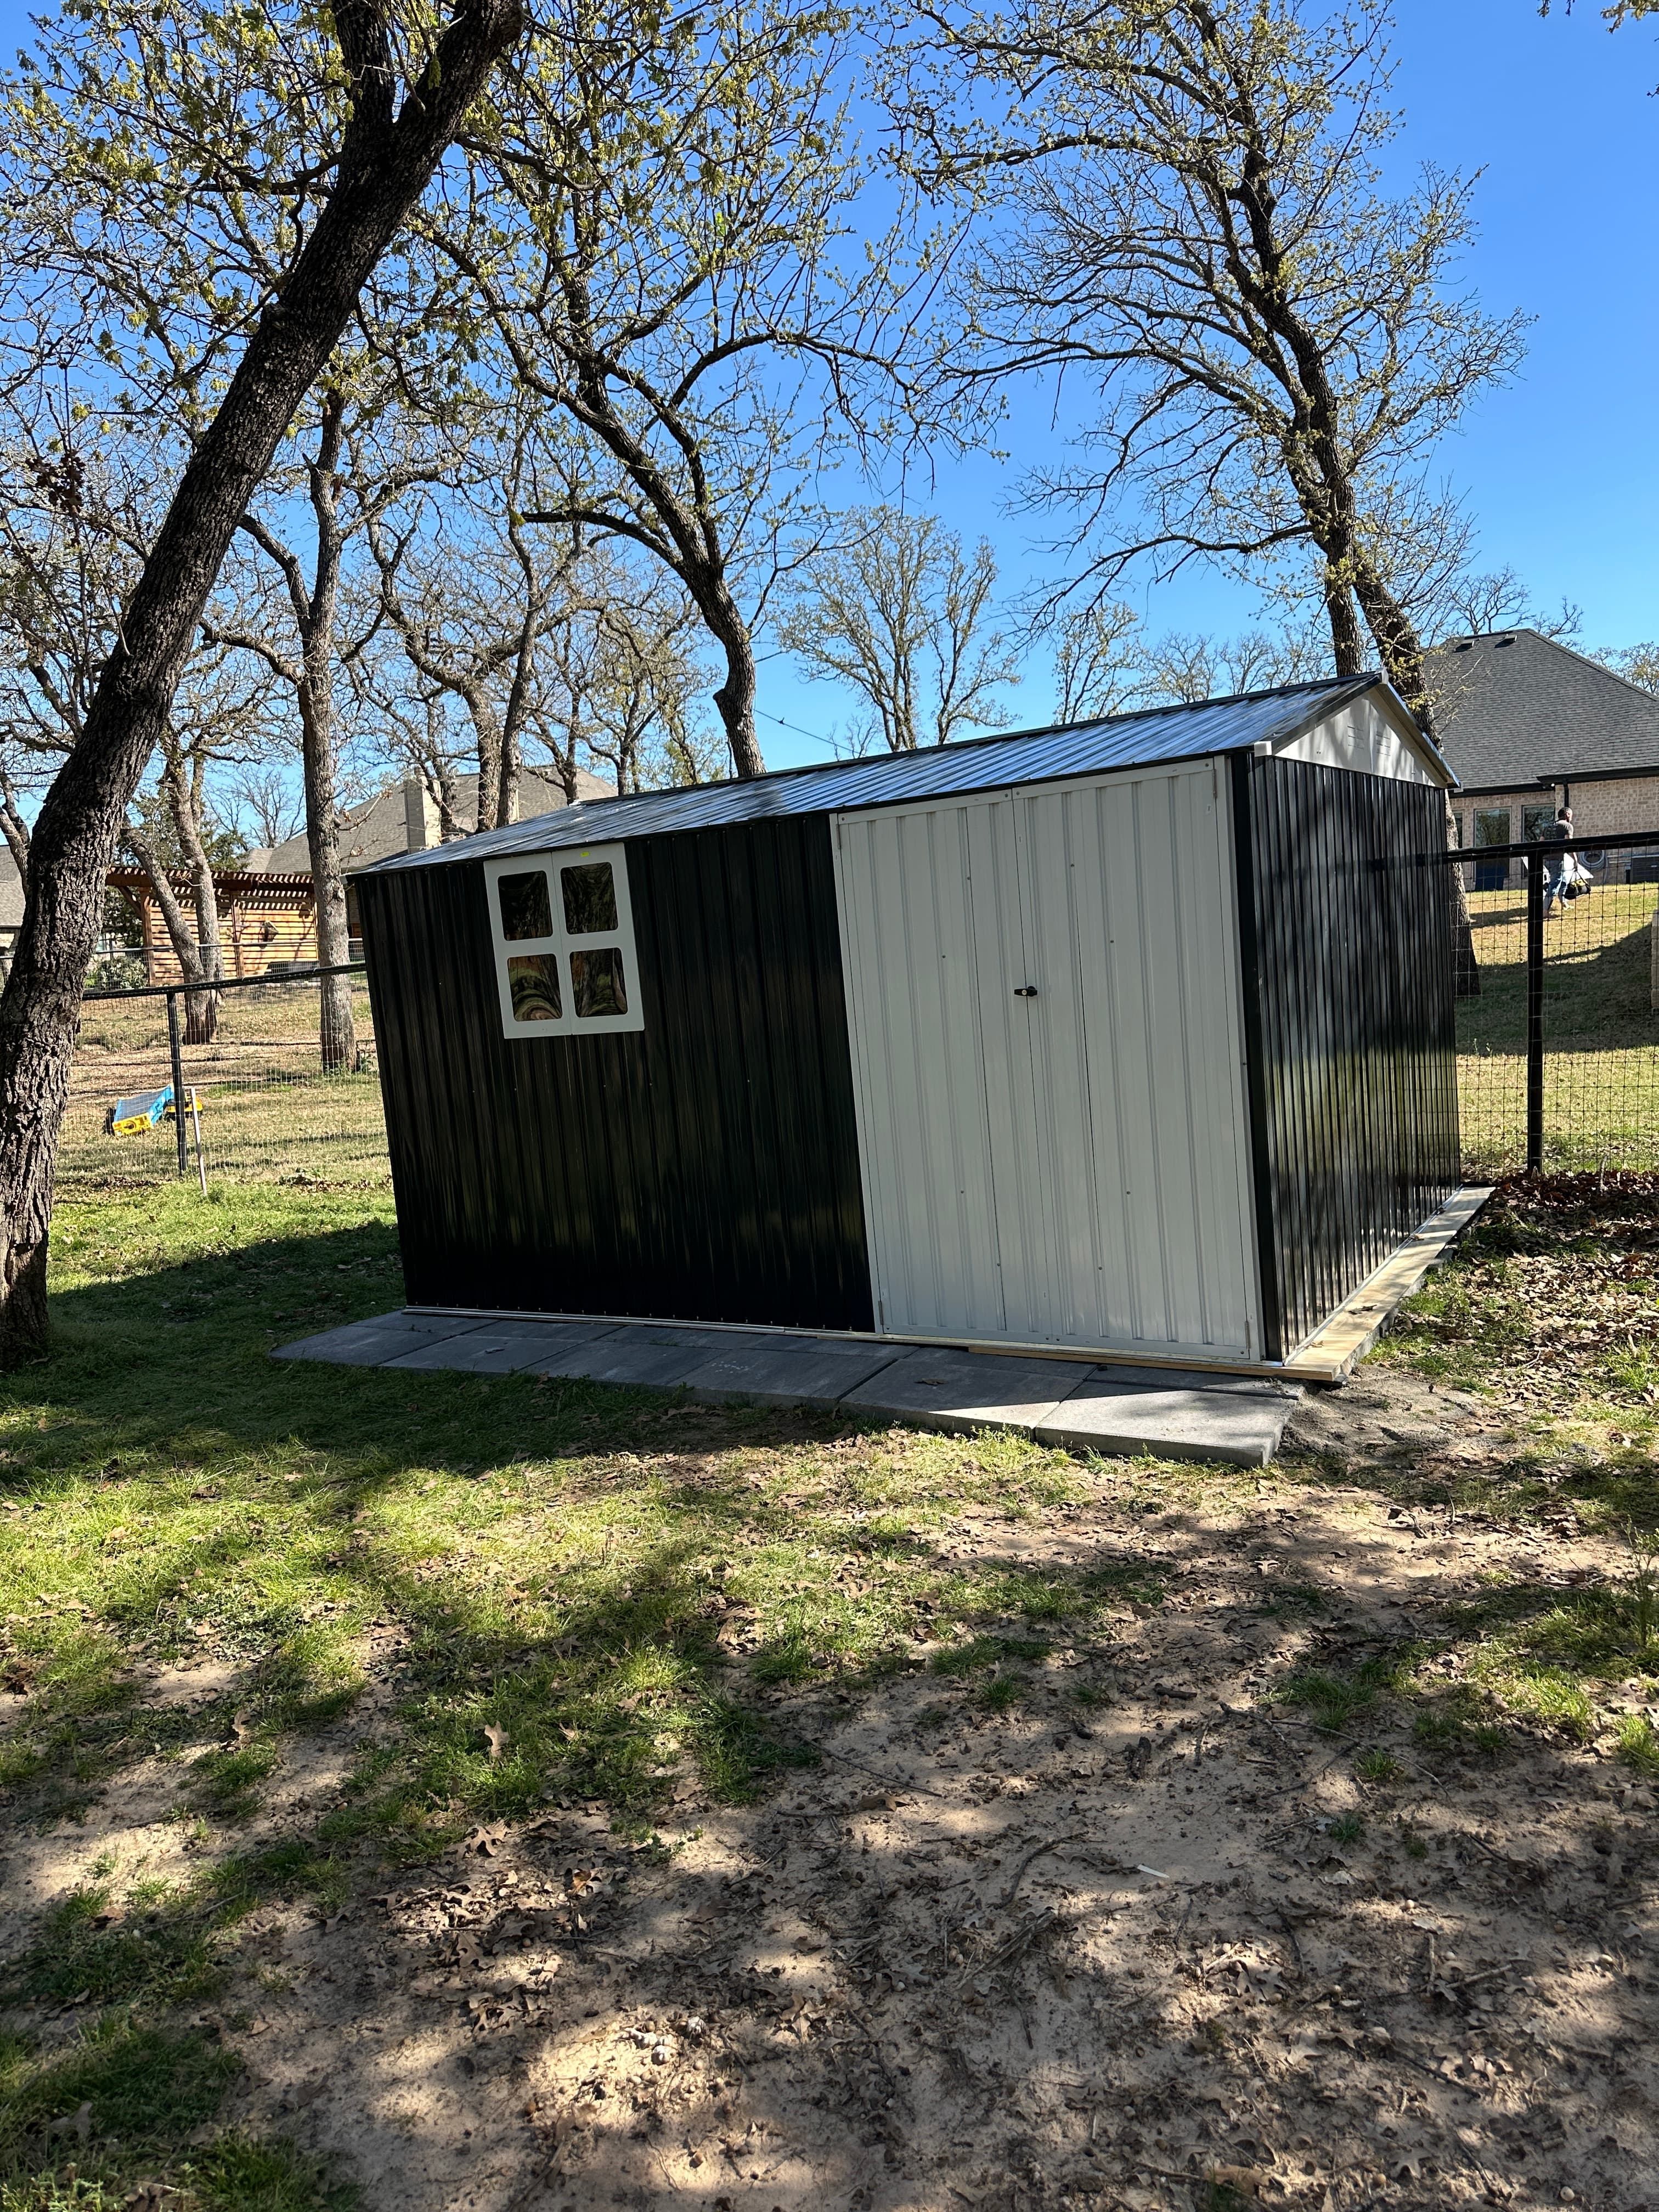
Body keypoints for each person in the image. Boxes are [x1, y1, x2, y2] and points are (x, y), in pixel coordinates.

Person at [1541, 806, 1572, 916]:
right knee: (1555, 883)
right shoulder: (1567, 826)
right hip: (1558, 859)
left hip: (1546, 859)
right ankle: (1545, 911)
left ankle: (1564, 902)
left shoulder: (1547, 827)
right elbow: (1569, 844)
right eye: (1571, 816)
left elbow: (1541, 842)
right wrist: (1576, 859)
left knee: (1563, 879)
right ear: (1567, 815)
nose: (1571, 819)